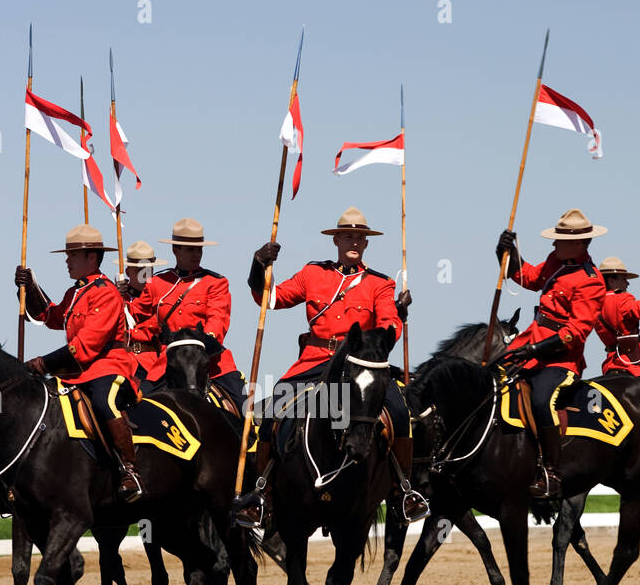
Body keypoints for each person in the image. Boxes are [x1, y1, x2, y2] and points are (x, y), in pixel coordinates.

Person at [234, 206, 425, 527]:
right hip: (314, 361)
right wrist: (258, 265)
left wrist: (398, 316)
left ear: (366, 244)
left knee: (400, 411)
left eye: (360, 237)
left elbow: (389, 324)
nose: (354, 241)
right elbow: (271, 298)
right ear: (336, 240)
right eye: (348, 235)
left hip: (360, 366)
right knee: (272, 411)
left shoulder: (380, 283)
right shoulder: (313, 274)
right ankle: (263, 494)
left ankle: (402, 491)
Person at [14, 224, 144, 503]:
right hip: (78, 373)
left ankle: (130, 470)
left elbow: (84, 347)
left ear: (92, 258)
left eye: (72, 255)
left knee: (103, 403)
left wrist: (42, 363)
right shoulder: (76, 293)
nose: (67, 260)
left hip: (109, 367)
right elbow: (51, 317)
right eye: (68, 254)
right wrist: (28, 287)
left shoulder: (106, 292)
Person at [493, 208, 609, 499]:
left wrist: (538, 348)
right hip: (529, 342)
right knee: (487, 376)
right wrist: (506, 254)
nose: (553, 244)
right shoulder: (557, 261)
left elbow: (576, 331)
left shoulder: (591, 280)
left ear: (580, 243)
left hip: (561, 358)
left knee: (543, 400)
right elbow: (528, 277)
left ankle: (551, 472)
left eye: (559, 239)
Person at [129, 219, 245, 409]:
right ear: (176, 250)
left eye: (199, 249)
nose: (196, 254)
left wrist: (205, 340)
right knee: (138, 408)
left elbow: (218, 319)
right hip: (169, 363)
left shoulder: (215, 282)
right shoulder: (157, 282)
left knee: (245, 410)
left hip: (210, 360)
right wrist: (116, 295)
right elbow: (134, 314)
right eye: (190, 249)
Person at [119, 241, 168, 385]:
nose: (145, 275)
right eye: (140, 270)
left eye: (148, 270)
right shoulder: (114, 297)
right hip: (121, 361)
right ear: (128, 272)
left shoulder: (162, 299)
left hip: (150, 362)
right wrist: (114, 299)